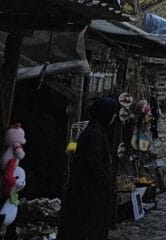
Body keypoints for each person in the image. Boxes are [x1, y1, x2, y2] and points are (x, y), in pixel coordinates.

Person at [58, 97, 118, 240]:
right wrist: (105, 181)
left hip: (87, 196)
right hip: (89, 198)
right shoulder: (95, 135)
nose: (114, 117)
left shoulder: (94, 131)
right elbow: (94, 165)